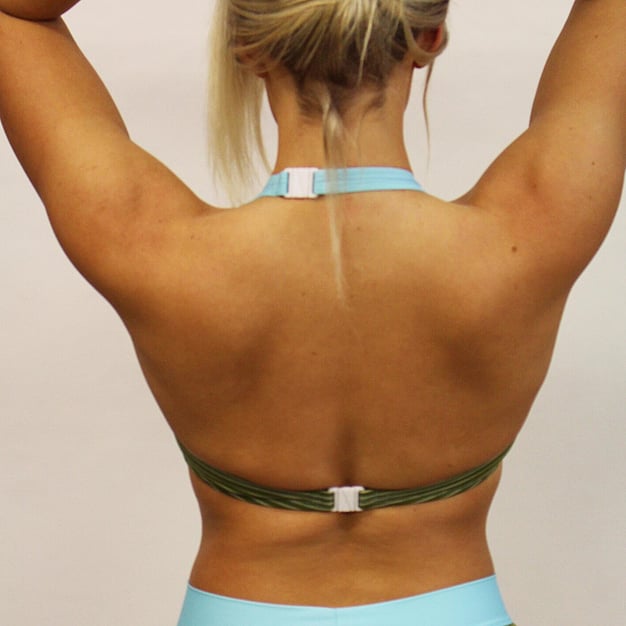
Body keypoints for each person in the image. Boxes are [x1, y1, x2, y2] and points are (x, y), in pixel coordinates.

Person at [1, 0, 624, 624]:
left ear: (246, 45)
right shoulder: (532, 227)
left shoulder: (150, 241)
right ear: (430, 36)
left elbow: (16, 13)